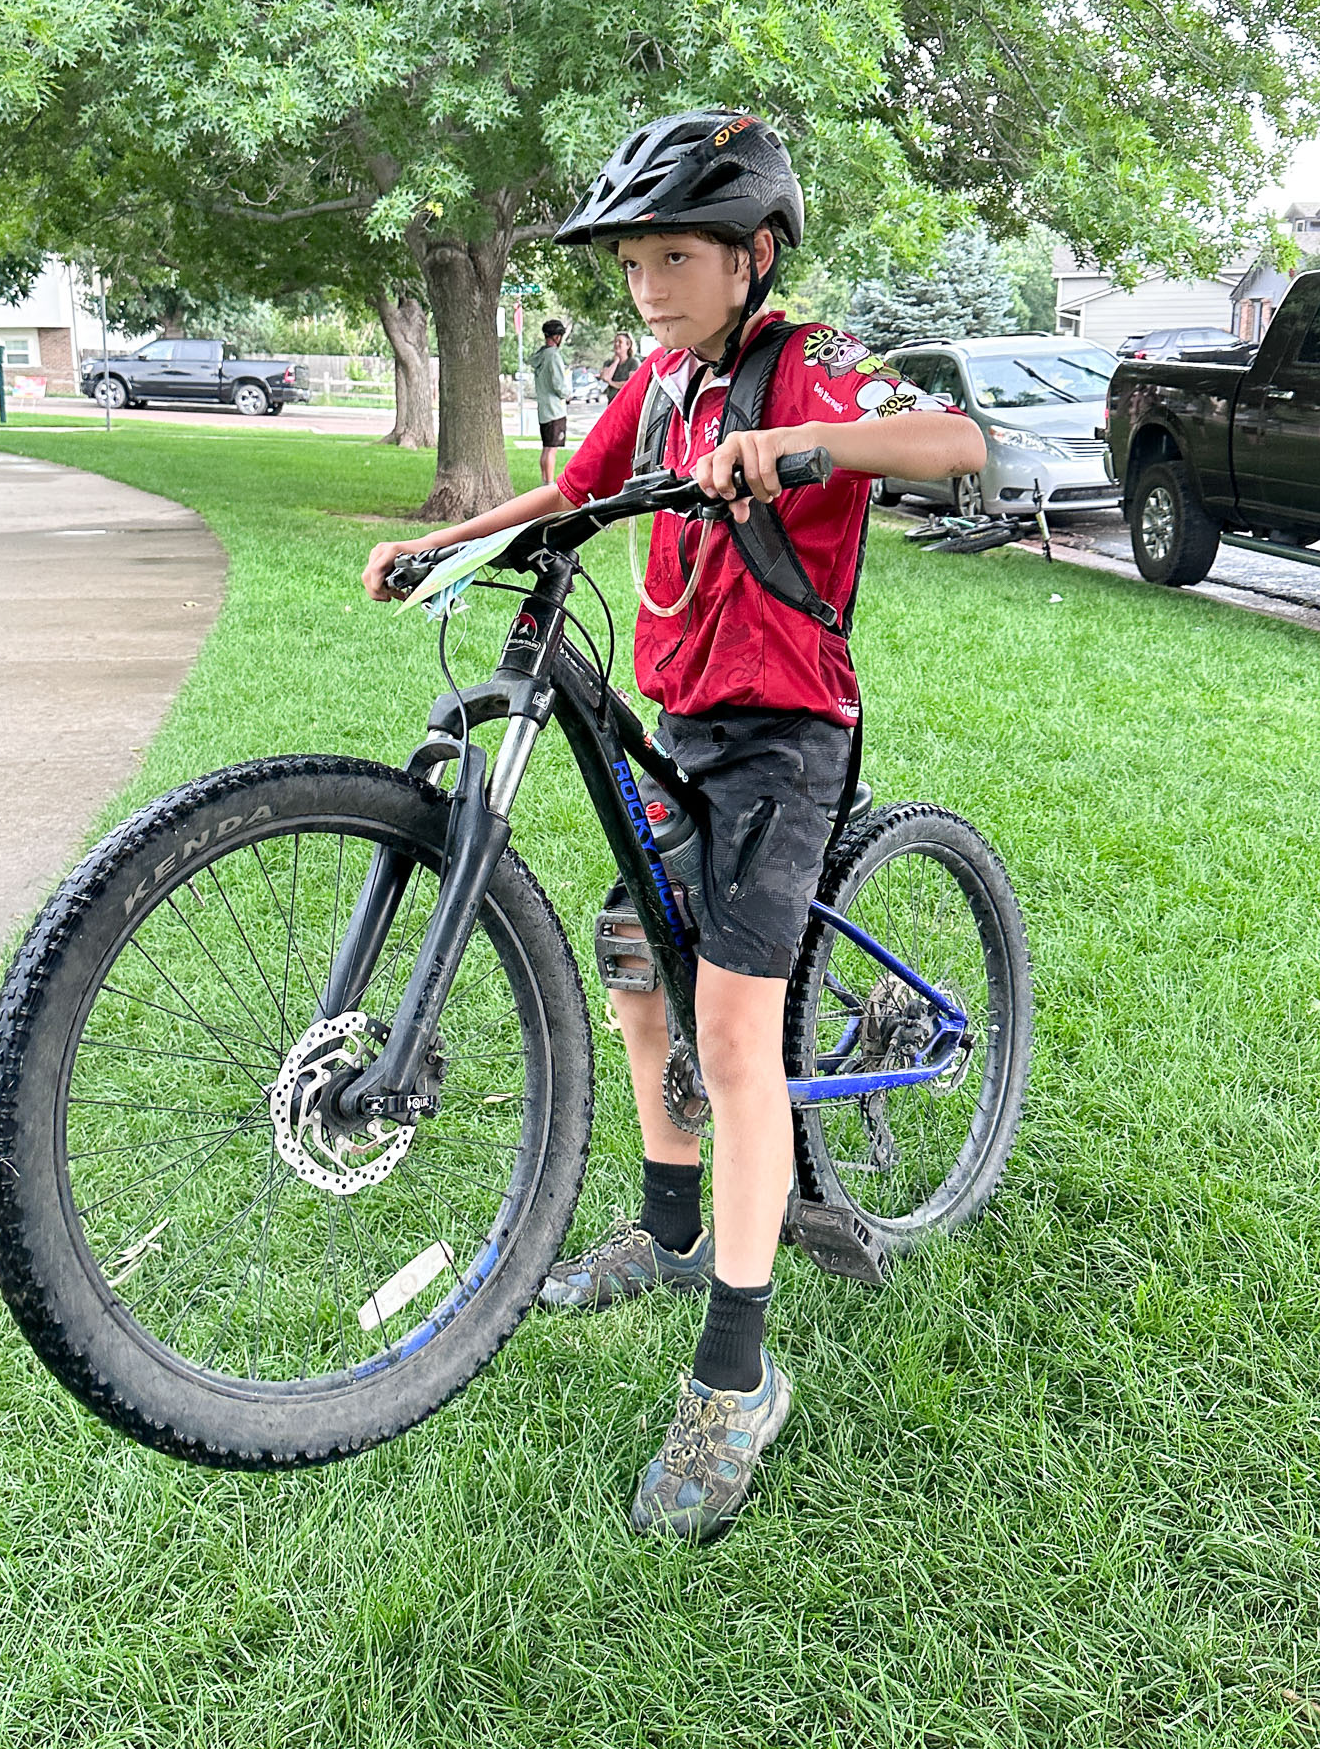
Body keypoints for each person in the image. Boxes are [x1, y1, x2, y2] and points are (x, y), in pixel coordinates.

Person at [363, 110, 984, 1542]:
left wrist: (801, 444)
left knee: (731, 1034)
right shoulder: (653, 384)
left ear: (753, 254)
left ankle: (736, 1377)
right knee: (638, 968)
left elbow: (954, 439)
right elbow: (569, 494)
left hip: (782, 738)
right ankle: (663, 1226)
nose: (648, 286)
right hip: (683, 723)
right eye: (633, 263)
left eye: (676, 258)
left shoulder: (806, 358)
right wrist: (442, 543)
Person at [531, 318, 569, 484]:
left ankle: (545, 481)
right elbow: (558, 384)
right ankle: (549, 483)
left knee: (546, 447)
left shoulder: (541, 355)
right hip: (555, 409)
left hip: (544, 409)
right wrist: (567, 394)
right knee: (551, 449)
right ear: (557, 337)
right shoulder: (553, 356)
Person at [600, 329, 638, 402]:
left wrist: (611, 383)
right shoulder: (608, 363)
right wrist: (616, 362)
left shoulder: (633, 363)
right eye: (615, 341)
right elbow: (605, 377)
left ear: (628, 345)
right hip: (611, 402)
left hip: (627, 402)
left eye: (620, 342)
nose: (616, 344)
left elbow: (630, 384)